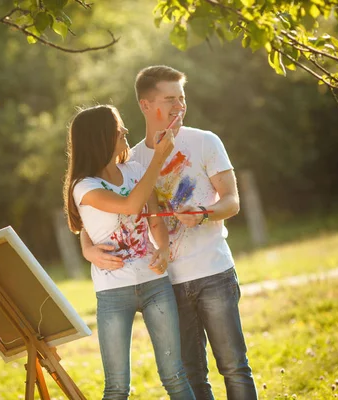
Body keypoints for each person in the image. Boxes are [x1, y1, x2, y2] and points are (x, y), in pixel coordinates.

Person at [80, 66, 258, 400]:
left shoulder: (205, 141)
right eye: (169, 99)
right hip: (166, 284)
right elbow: (101, 214)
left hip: (213, 272)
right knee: (192, 375)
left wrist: (204, 214)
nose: (179, 106)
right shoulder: (130, 161)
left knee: (234, 366)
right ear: (146, 105)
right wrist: (88, 248)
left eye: (182, 98)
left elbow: (232, 201)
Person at [63, 104, 195, 400]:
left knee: (175, 375)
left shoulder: (134, 170)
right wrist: (159, 158)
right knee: (117, 387)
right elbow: (129, 206)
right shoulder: (83, 187)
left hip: (155, 284)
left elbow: (152, 214)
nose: (124, 131)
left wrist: (162, 248)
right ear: (101, 137)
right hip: (113, 292)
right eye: (117, 127)